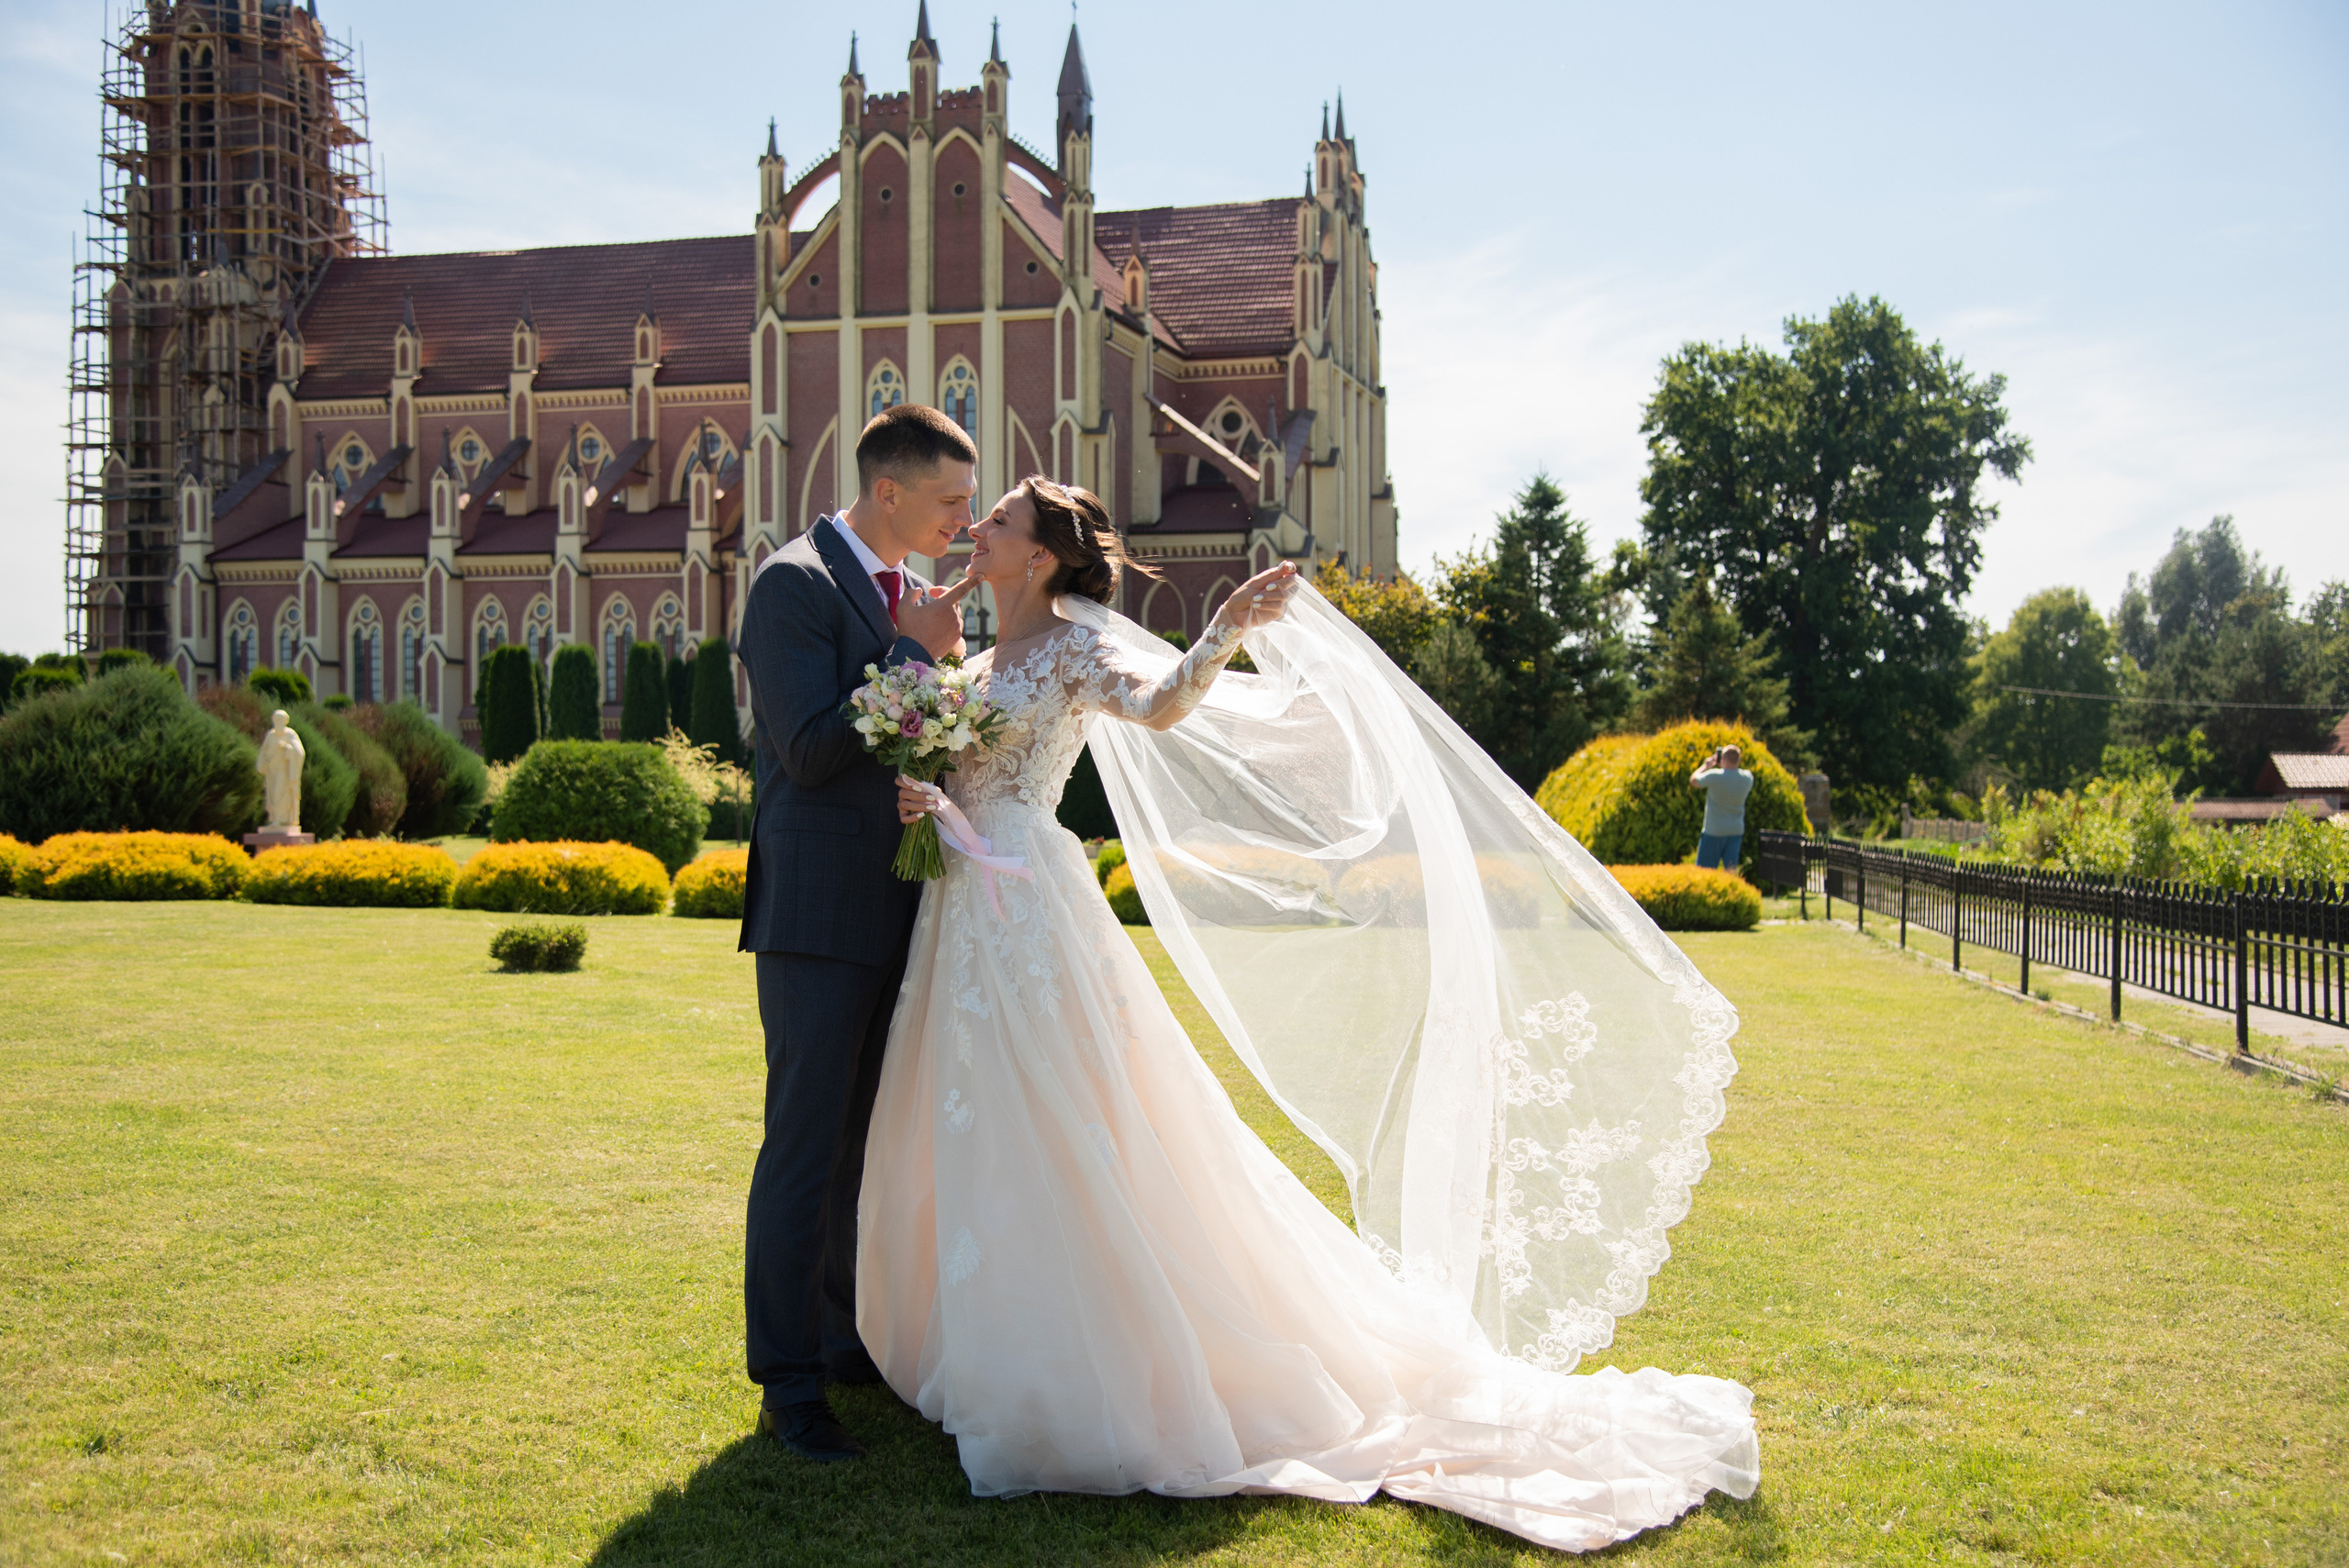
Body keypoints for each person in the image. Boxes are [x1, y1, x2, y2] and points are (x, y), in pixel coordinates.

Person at [858, 476, 1758, 1552]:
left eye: (998, 520)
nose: (977, 529)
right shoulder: (964, 667)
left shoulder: (1072, 652)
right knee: (974, 1114)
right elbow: (959, 772)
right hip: (959, 906)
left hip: (1029, 912)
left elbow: (1159, 704)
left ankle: (1082, 1362)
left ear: (1041, 556)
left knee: (1072, 1114)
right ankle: (981, 1344)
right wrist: (925, 790)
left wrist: (1224, 631)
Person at [732, 402, 985, 1463]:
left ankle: (842, 1342)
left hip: (898, 902)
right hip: (817, 911)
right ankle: (787, 1383)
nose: (964, 520)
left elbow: (903, 746)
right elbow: (805, 747)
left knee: (858, 1147)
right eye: (949, 500)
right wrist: (913, 654)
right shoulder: (791, 583)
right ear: (888, 491)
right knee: (803, 1147)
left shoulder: (904, 593)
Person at [1689, 744, 1755, 871]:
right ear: (1739, 760)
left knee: (1705, 871)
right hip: (1735, 830)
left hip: (1713, 831)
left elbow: (1694, 781)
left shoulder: (1714, 776)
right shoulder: (1747, 778)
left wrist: (1705, 766)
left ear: (1722, 759)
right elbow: (1736, 773)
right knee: (1730, 870)